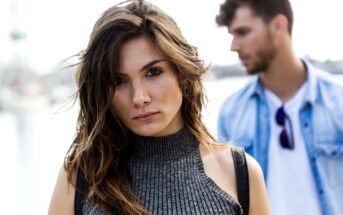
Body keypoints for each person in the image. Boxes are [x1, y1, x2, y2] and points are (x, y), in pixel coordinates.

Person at [48, 1, 270, 215]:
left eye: (153, 72)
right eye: (119, 81)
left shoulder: (240, 173)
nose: (139, 98)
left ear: (181, 73)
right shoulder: (79, 177)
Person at [215, 0, 343, 215]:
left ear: (278, 26)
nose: (234, 46)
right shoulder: (231, 112)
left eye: (243, 32)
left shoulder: (338, 101)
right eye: (232, 35)